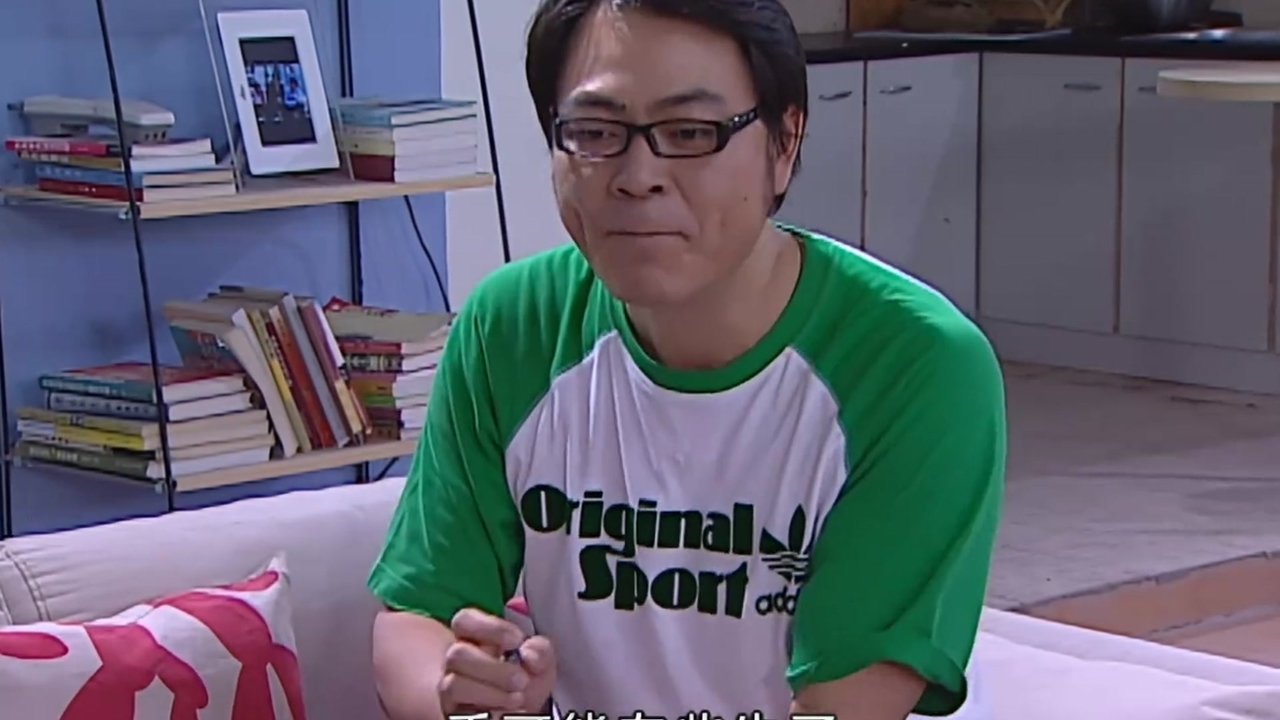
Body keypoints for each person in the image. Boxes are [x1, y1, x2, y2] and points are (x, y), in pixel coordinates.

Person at [367, 1, 1007, 719]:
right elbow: (416, 614)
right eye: (595, 132)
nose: (637, 176)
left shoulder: (915, 366)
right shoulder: (513, 329)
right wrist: (461, 697)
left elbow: (842, 704)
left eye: (691, 133)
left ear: (785, 143)